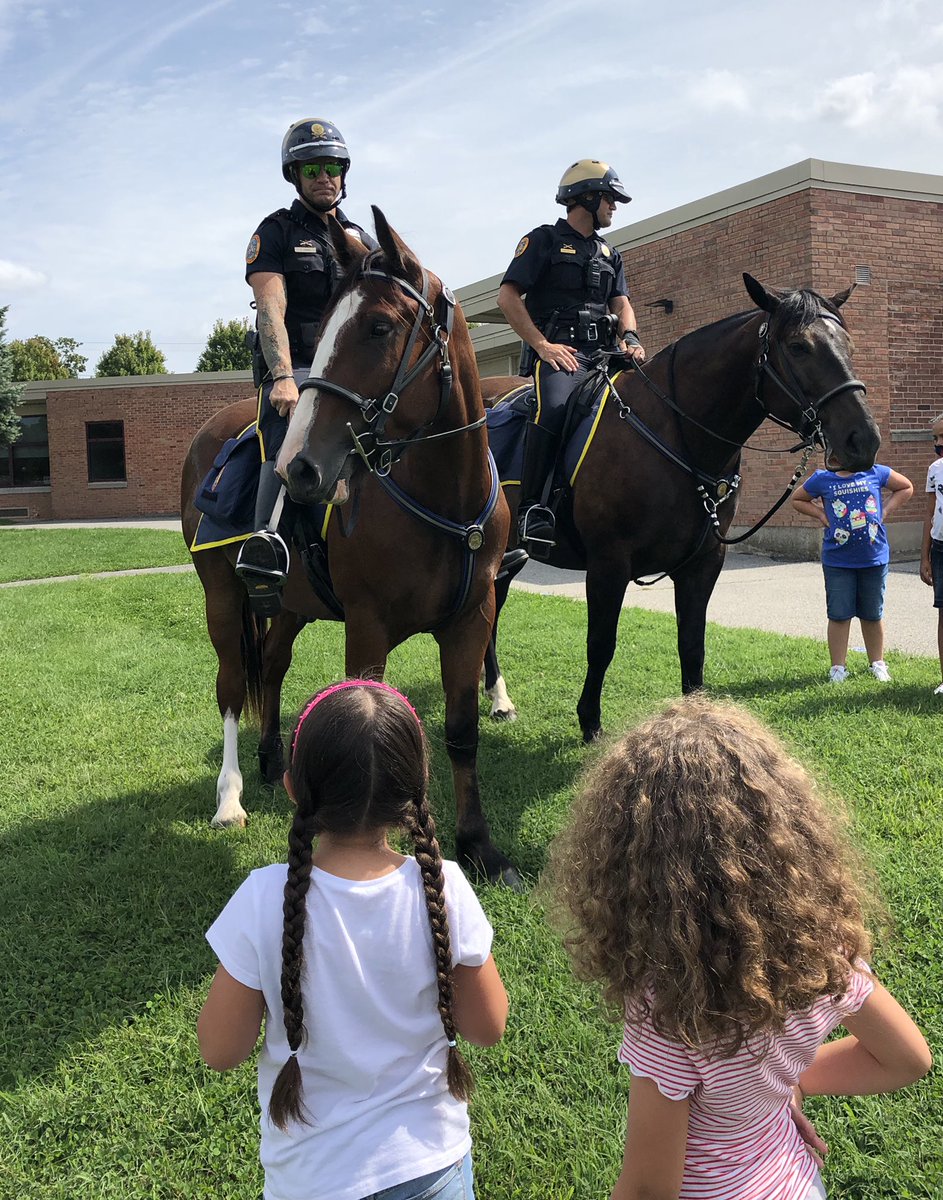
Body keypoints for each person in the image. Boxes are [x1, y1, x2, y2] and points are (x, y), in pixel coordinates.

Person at [544, 696, 931, 1200]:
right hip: (795, 1181)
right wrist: (788, 1087)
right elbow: (910, 1059)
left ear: (631, 870)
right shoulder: (826, 957)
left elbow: (646, 1188)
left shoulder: (671, 1015)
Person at [198, 679, 508, 1200]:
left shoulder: (262, 897)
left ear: (293, 786)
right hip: (433, 1169)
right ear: (417, 788)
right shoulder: (446, 885)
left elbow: (220, 1049)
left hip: (312, 1180)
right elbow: (488, 1026)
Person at [235, 119, 376, 616]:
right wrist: (282, 377)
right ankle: (265, 549)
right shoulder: (274, 231)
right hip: (298, 371)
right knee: (285, 441)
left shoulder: (361, 237)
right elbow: (270, 306)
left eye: (333, 167)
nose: (325, 177)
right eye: (313, 168)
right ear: (295, 175)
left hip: (351, 373)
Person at [497, 160, 646, 554]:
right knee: (556, 408)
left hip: (606, 355)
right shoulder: (543, 240)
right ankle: (532, 510)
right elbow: (507, 296)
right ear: (587, 197)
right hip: (563, 356)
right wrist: (542, 346)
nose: (614, 206)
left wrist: (629, 336)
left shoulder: (609, 252)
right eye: (610, 198)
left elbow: (622, 302)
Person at [791, 453, 913, 683]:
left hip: (873, 558)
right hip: (838, 561)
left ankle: (877, 663)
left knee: (872, 614)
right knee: (839, 614)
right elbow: (798, 499)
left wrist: (884, 511)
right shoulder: (822, 479)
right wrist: (820, 514)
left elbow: (906, 487)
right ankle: (838, 668)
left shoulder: (876, 472)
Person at [918, 411, 943, 694]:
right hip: (940, 548)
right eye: (935, 437)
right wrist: (924, 557)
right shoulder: (935, 469)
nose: (938, 442)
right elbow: (929, 512)